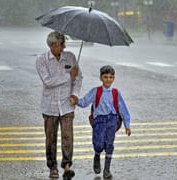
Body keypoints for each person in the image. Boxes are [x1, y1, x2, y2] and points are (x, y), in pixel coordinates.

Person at [35, 31, 82, 179]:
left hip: (67, 104)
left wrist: (75, 94)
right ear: (53, 44)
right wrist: (69, 75)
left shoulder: (70, 57)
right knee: (51, 138)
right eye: (61, 44)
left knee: (68, 137)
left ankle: (67, 164)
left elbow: (78, 78)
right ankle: (52, 166)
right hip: (50, 106)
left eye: (64, 43)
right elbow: (48, 82)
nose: (64, 46)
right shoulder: (42, 59)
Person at [71, 65, 131, 179]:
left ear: (113, 78)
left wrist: (127, 125)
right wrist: (76, 101)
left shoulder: (116, 93)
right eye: (105, 77)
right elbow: (84, 102)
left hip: (112, 120)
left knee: (109, 144)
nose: (108, 79)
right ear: (101, 78)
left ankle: (107, 170)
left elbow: (123, 109)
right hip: (99, 121)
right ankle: (97, 155)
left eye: (110, 77)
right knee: (98, 143)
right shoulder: (96, 91)